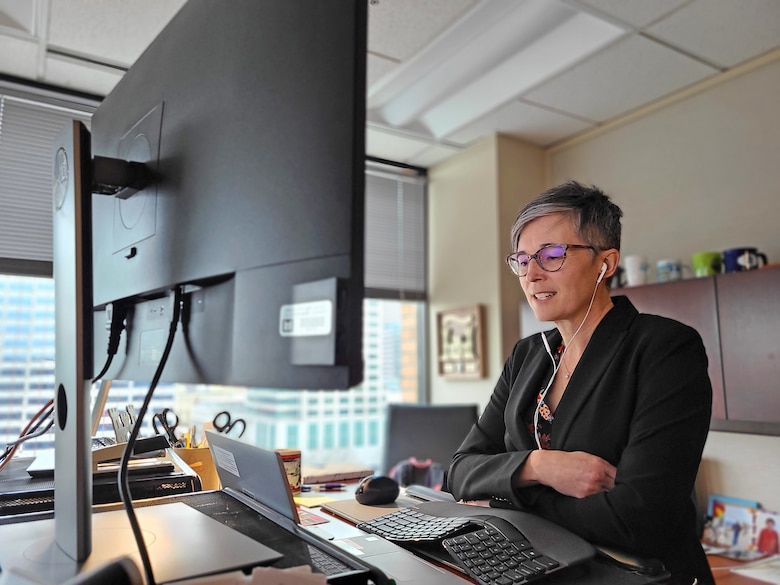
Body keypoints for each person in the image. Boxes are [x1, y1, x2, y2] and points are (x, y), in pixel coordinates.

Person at [448, 181, 714, 584]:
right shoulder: (527, 356)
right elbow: (459, 471)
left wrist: (505, 498)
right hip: (541, 568)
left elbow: (639, 518)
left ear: (605, 263)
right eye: (522, 259)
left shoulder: (664, 349)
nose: (531, 274)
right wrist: (538, 466)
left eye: (551, 255)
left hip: (636, 574)